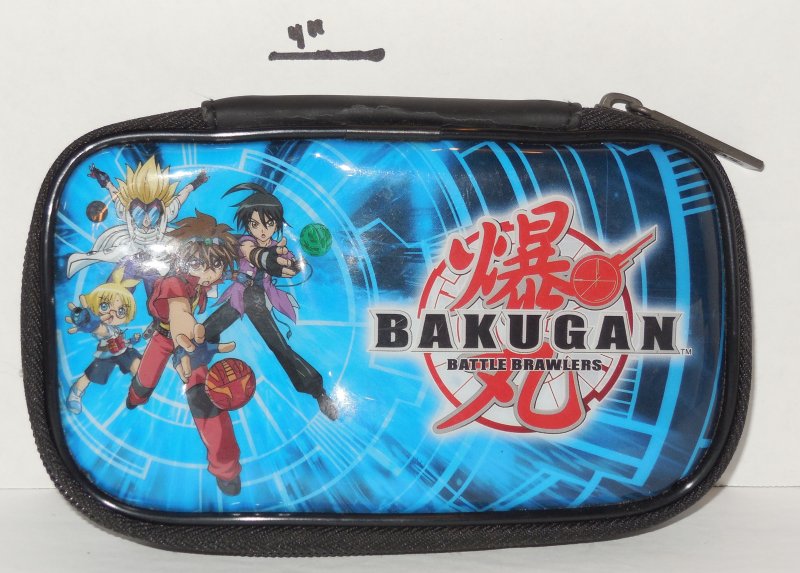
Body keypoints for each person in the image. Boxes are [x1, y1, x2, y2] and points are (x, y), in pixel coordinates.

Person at [125, 211, 243, 495]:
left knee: (203, 395)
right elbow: (178, 308)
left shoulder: (201, 279)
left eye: (215, 265)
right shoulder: (174, 282)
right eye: (199, 264)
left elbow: (218, 273)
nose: (209, 272)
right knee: (145, 381)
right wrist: (184, 327)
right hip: (168, 335)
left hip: (188, 340)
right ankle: (136, 397)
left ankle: (226, 469)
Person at [203, 183, 338, 420]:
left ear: (276, 224)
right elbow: (253, 252)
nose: (262, 230)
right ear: (248, 225)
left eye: (268, 224)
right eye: (255, 224)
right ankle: (200, 353)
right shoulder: (245, 242)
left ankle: (318, 392)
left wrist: (291, 266)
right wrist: (268, 259)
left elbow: (284, 263)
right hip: (239, 297)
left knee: (279, 346)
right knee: (204, 333)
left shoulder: (278, 248)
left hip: (257, 300)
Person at [64, 269, 141, 414]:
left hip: (123, 351)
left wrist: (133, 340)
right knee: (91, 375)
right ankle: (76, 392)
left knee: (139, 368)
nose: (112, 313)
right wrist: (88, 321)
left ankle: (138, 391)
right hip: (106, 354)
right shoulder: (103, 327)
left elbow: (121, 340)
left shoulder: (115, 328)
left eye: (121, 311)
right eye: (105, 306)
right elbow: (99, 329)